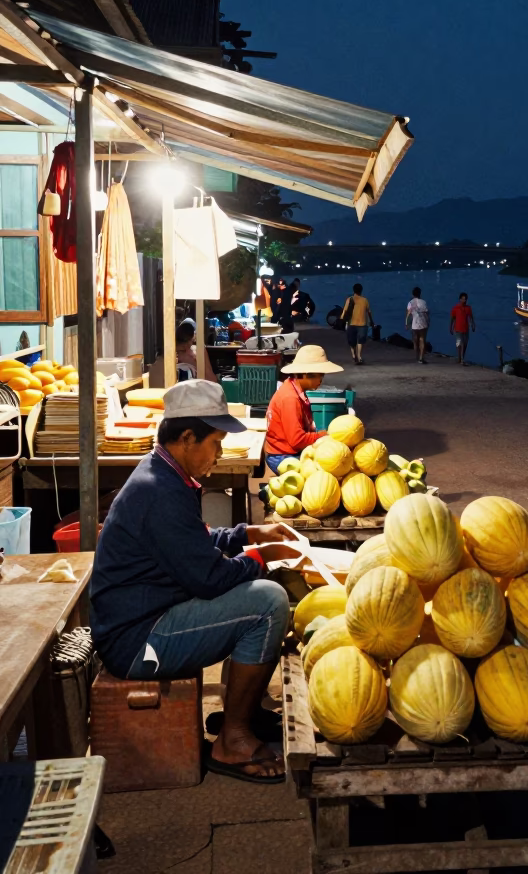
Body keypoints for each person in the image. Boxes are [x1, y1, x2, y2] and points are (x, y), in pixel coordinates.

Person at [90, 380, 301, 783]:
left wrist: (246, 536)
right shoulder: (158, 491)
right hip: (136, 640)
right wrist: (263, 558)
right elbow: (208, 578)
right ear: (187, 438)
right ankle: (232, 740)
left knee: (254, 587)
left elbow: (193, 542)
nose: (219, 455)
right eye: (216, 443)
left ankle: (244, 711)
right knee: (268, 603)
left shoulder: (164, 475)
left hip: (148, 615)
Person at [264, 344, 343, 473]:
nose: (321, 380)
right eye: (320, 375)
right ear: (307, 374)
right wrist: (323, 436)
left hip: (287, 452)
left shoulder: (295, 389)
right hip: (282, 456)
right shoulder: (290, 398)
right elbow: (297, 440)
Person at [148, 319, 218, 385]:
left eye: (185, 350)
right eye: (180, 351)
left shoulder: (198, 352)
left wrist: (195, 363)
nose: (186, 352)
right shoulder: (160, 365)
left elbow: (212, 381)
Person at [341, 283, 374, 364]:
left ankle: (354, 355)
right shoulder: (365, 300)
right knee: (360, 341)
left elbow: (344, 311)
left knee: (351, 341)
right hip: (362, 324)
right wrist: (372, 321)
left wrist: (341, 319)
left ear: (353, 290)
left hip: (351, 323)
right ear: (361, 290)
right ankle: (358, 356)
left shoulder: (349, 299)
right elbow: (369, 312)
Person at [449, 292, 476, 365]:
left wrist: (473, 325)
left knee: (465, 344)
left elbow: (471, 318)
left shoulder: (468, 308)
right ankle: (460, 358)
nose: (464, 301)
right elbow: (452, 318)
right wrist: (450, 327)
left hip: (466, 329)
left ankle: (461, 358)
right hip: (457, 329)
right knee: (459, 344)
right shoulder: (456, 308)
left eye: (465, 299)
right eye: (463, 299)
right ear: (460, 299)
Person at [406, 286, 430, 364]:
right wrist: (428, 321)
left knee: (415, 340)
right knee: (422, 339)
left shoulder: (410, 303)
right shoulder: (423, 302)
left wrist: (407, 324)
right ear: (420, 294)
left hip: (414, 324)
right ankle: (421, 358)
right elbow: (427, 313)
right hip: (423, 322)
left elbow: (409, 315)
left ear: (413, 294)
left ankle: (417, 356)